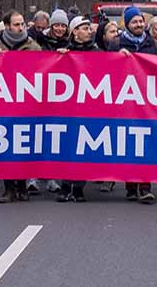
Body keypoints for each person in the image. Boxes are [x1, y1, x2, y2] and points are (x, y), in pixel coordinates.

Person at [0, 10, 42, 204]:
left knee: (23, 145)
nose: (21, 28)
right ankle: (9, 188)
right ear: (7, 26)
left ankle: (22, 186)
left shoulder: (33, 47)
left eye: (22, 24)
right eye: (16, 24)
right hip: (2, 104)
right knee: (5, 146)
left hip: (26, 105)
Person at [110, 6, 157, 203]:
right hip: (126, 102)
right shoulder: (115, 44)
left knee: (146, 144)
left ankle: (145, 186)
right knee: (129, 144)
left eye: (140, 21)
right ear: (127, 25)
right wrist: (116, 58)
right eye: (134, 22)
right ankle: (131, 185)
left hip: (147, 103)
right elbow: (105, 68)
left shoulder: (152, 44)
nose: (139, 25)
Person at [54, 16, 98, 203]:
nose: (89, 31)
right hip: (68, 108)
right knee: (67, 145)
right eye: (84, 28)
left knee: (84, 148)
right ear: (75, 32)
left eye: (89, 28)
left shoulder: (97, 52)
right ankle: (65, 185)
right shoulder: (65, 52)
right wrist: (58, 58)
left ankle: (79, 187)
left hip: (88, 107)